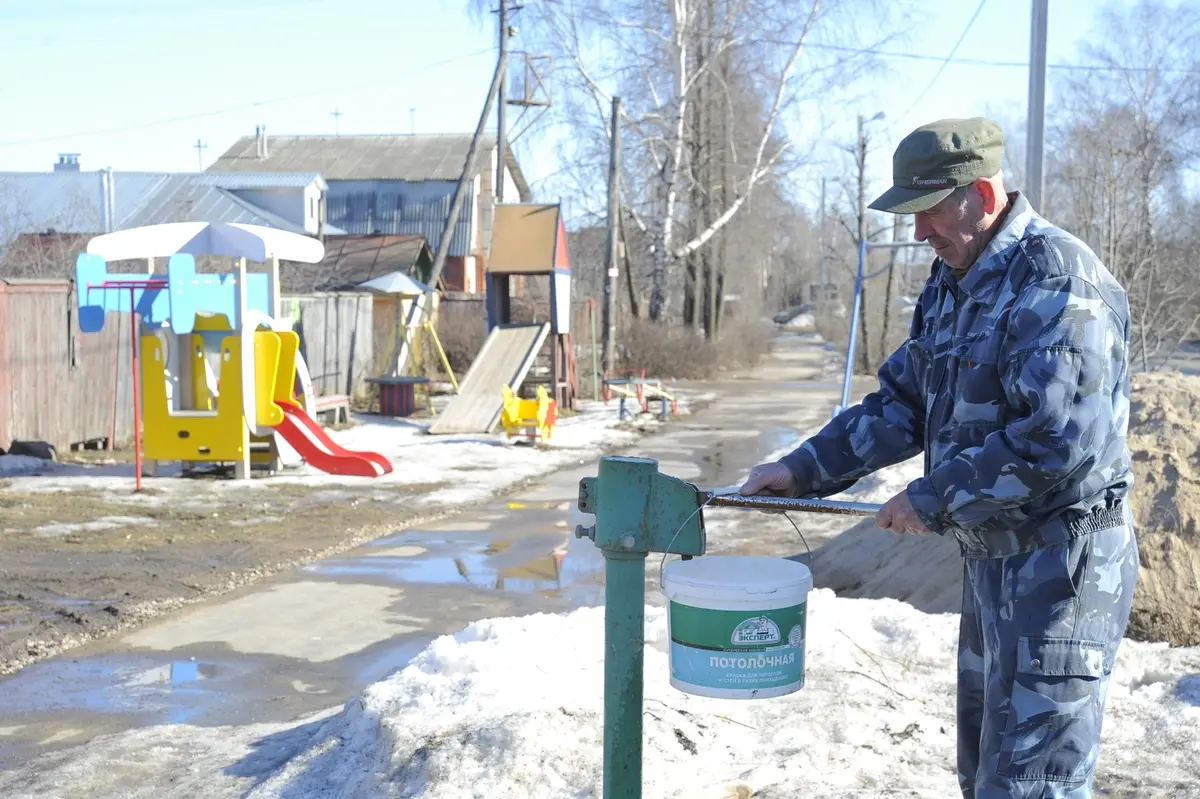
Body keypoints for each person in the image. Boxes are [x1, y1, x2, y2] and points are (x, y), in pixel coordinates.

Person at [740, 117, 1138, 798]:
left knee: (1034, 785)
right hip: (993, 563)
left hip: (1061, 574)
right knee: (985, 777)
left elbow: (1059, 442)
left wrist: (932, 498)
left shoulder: (1059, 285)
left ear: (981, 195)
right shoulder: (955, 283)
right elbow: (903, 401)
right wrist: (802, 468)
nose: (919, 233)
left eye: (926, 213)